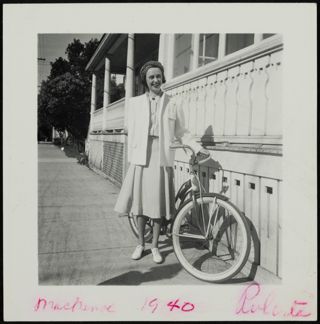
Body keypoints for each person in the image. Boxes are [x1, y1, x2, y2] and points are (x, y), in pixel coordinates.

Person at [114, 61, 209, 264]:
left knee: (156, 206)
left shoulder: (173, 103)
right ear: (145, 81)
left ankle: (156, 246)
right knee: (139, 206)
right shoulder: (136, 103)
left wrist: (197, 148)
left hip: (161, 156)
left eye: (158, 76)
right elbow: (129, 129)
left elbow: (181, 132)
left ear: (162, 78)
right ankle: (141, 244)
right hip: (142, 157)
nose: (155, 80)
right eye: (151, 77)